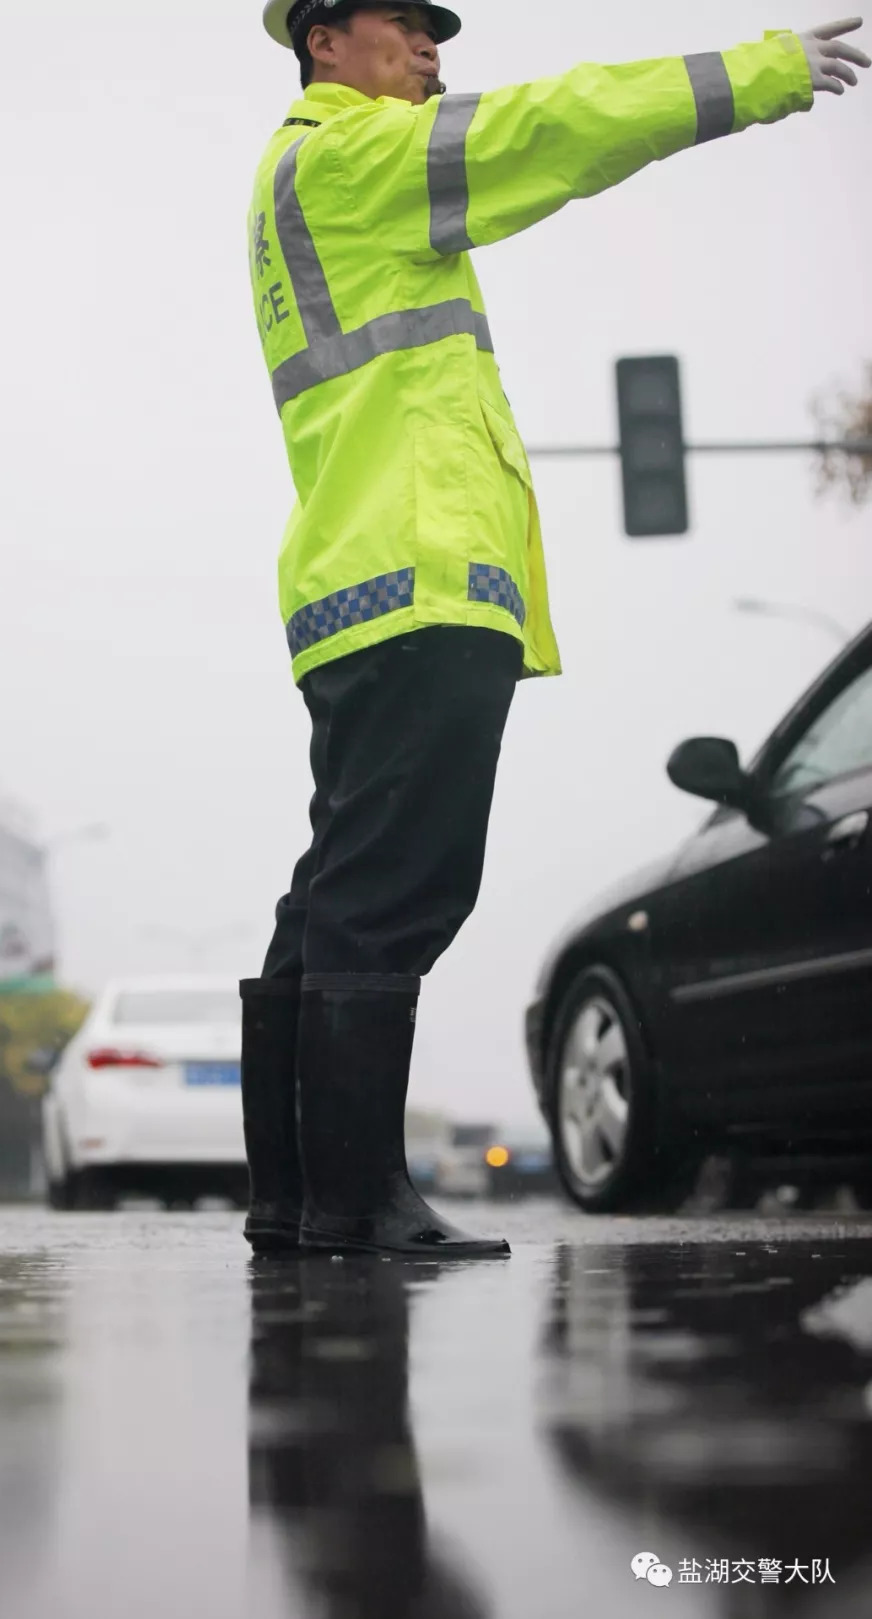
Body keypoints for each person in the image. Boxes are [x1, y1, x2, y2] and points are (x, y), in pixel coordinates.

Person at [240, 4, 870, 1259]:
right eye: (402, 27)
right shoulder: (353, 159)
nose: (432, 48)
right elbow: (556, 127)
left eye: (436, 30)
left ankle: (300, 1195)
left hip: (355, 580)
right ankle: (356, 1200)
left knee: (336, 890)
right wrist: (754, 75)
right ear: (324, 41)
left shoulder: (292, 182)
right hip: (421, 576)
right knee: (396, 886)